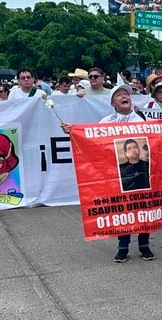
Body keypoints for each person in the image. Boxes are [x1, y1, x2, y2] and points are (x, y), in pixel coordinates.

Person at [61, 84, 156, 262]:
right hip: (117, 173)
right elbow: (92, 140)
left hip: (140, 173)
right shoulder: (106, 122)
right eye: (119, 95)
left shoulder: (141, 121)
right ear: (113, 103)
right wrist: (73, 131)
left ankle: (144, 245)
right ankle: (123, 246)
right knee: (123, 210)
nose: (124, 96)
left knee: (142, 206)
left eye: (126, 94)